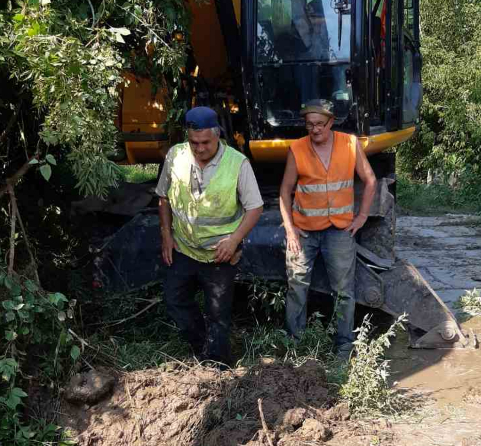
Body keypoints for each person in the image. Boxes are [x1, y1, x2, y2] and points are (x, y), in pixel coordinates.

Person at [156, 107, 263, 367]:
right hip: (183, 249)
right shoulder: (176, 155)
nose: (200, 148)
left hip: (220, 254)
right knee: (175, 300)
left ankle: (218, 366)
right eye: (194, 142)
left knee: (218, 313)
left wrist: (235, 239)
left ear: (218, 136)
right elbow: (163, 197)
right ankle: (202, 347)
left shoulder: (237, 163)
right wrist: (166, 235)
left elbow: (255, 207)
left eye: (205, 142)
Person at [278, 99, 377, 357]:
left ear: (331, 122)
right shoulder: (297, 149)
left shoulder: (350, 144)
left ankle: (344, 347)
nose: (315, 130)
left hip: (339, 231)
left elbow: (370, 180)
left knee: (344, 292)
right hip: (304, 232)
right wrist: (290, 229)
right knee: (297, 287)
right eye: (309, 125)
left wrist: (362, 215)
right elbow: (285, 191)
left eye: (320, 124)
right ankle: (294, 346)